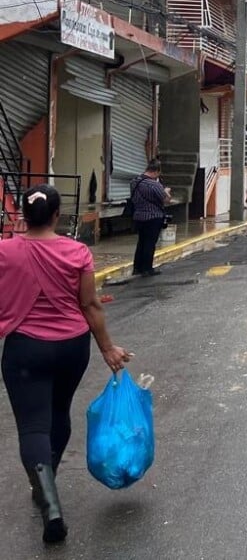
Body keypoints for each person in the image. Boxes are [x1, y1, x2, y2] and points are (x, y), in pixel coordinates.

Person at [0, 185, 131, 544]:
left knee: (33, 426)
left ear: (23, 216)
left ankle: (49, 501)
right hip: (73, 347)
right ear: (57, 216)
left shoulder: (5, 251)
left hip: (26, 349)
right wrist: (108, 348)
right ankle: (47, 482)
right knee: (59, 413)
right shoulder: (77, 252)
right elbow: (89, 305)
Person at [130, 159, 170, 277]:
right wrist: (166, 191)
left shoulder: (134, 182)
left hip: (139, 216)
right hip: (153, 217)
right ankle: (147, 268)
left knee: (141, 242)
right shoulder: (154, 185)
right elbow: (166, 200)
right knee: (150, 243)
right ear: (156, 171)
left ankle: (137, 268)